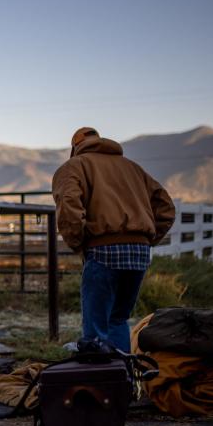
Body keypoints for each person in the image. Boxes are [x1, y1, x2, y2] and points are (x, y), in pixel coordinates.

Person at [52, 127, 175, 353]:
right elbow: (166, 207)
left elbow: (69, 205)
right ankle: (123, 380)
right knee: (118, 319)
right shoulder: (133, 168)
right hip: (139, 253)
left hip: (103, 249)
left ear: (74, 147)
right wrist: (145, 239)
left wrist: (79, 243)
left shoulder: (75, 166)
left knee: (96, 329)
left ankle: (99, 381)